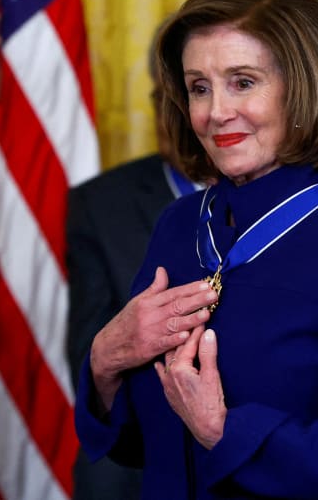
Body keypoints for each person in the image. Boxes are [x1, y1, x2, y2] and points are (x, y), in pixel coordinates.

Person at [74, 0, 318, 499]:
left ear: (303, 86)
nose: (216, 112)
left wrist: (224, 431)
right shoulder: (180, 225)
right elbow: (140, 445)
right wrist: (105, 361)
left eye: (243, 82)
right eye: (199, 87)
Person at [66, 30, 202, 499]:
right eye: (162, 97)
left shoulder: (287, 198)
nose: (175, 114)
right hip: (141, 448)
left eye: (191, 94)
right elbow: (88, 359)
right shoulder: (98, 205)